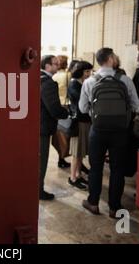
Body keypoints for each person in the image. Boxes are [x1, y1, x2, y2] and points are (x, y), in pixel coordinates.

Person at [79, 48, 139, 218]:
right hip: (120, 131)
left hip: (97, 130)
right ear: (112, 59)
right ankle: (114, 207)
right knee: (117, 169)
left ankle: (93, 203)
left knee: (95, 168)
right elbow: (135, 105)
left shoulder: (89, 81)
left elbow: (82, 108)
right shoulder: (125, 80)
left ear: (98, 61)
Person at [40, 55, 69, 200]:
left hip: (34, 125)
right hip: (43, 128)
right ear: (47, 66)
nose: (58, 66)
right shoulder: (48, 83)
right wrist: (66, 112)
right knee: (42, 160)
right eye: (55, 64)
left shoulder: (34, 78)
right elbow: (54, 109)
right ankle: (38, 190)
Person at [67, 61, 93, 190]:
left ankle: (77, 174)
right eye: (87, 71)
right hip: (79, 123)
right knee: (76, 153)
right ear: (81, 71)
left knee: (81, 152)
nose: (89, 74)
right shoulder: (74, 85)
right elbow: (82, 104)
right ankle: (72, 177)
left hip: (85, 121)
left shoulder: (81, 84)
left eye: (90, 71)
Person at [52, 55, 72, 168]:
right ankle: (63, 158)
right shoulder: (68, 75)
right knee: (67, 134)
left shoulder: (54, 76)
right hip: (66, 106)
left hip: (57, 105)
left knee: (59, 135)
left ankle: (61, 158)